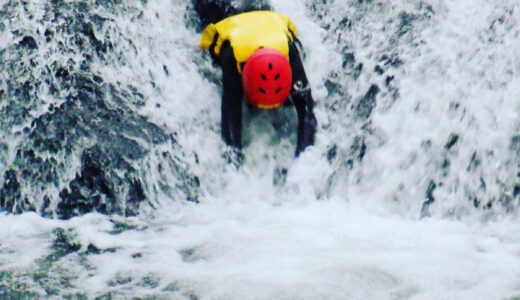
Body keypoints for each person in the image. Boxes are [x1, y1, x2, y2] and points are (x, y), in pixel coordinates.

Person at [194, 0, 317, 159]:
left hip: (259, 14)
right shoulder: (232, 57)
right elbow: (231, 111)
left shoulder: (289, 53)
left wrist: (302, 157)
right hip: (224, 13)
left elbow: (308, 111)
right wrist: (234, 160)